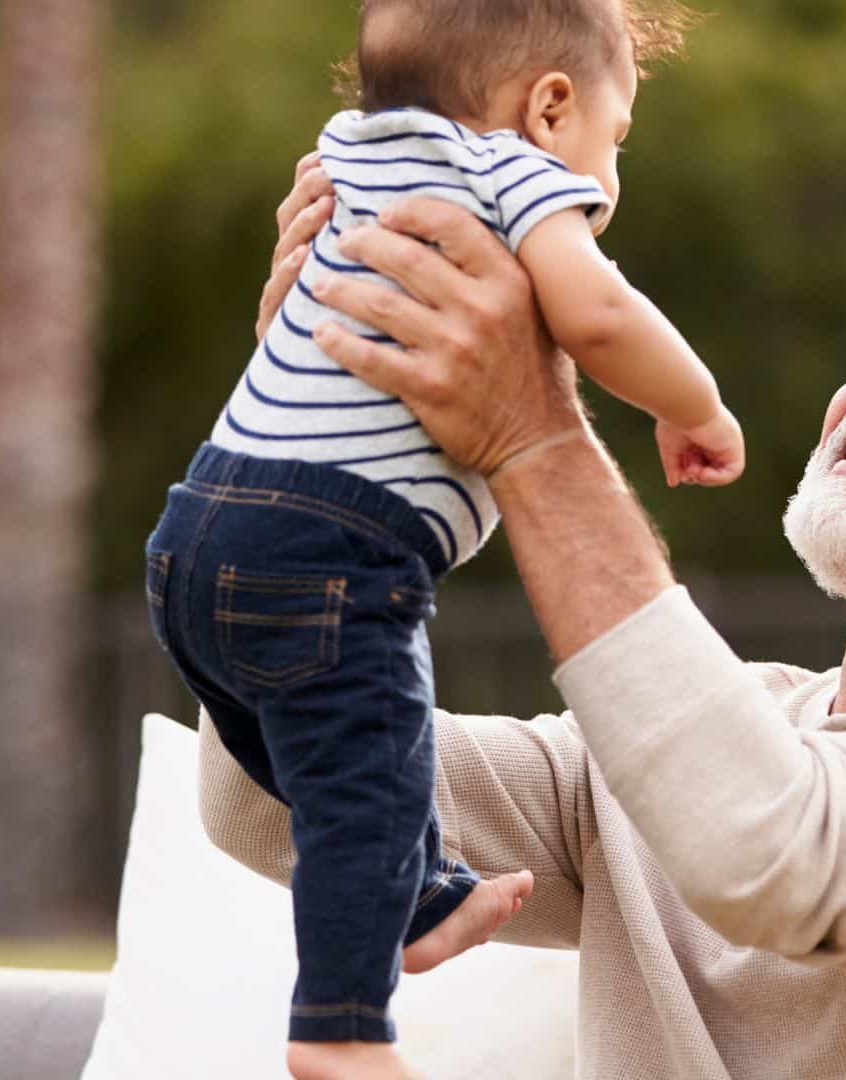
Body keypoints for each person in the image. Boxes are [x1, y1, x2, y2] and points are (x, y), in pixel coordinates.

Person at [201, 174, 846, 1076]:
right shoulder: (717, 739)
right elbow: (269, 801)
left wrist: (532, 429)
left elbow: (773, 851)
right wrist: (308, 436)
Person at [144, 1, 733, 1077]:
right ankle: (342, 1034)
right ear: (551, 108)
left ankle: (418, 896)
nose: (611, 170)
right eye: (619, 138)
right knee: (364, 781)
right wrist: (692, 406)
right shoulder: (514, 176)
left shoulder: (348, 155)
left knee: (347, 767)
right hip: (331, 553)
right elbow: (598, 317)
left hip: (195, 535)